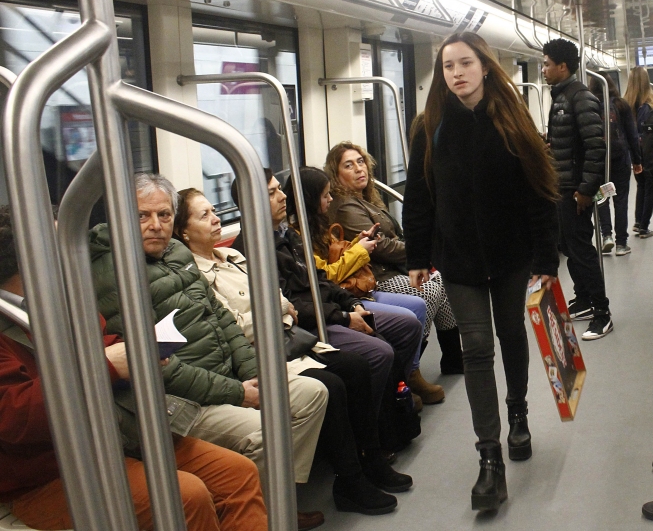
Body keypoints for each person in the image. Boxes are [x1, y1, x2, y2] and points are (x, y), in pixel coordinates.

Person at [0, 206, 269, 531]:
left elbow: (104, 341)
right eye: (60, 241)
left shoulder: (60, 301)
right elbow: (14, 419)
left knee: (237, 474)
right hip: (51, 472)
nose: (73, 250)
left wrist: (140, 351)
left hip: (119, 434)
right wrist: (107, 366)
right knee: (186, 496)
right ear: (28, 257)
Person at [88, 173, 328, 530]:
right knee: (264, 431)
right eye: (142, 216)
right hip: (177, 399)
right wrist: (237, 393)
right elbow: (156, 364)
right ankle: (263, 513)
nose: (156, 226)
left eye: (165, 215)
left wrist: (251, 371)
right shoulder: (110, 273)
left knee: (313, 393)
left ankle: (271, 500)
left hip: (225, 374)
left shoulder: (176, 252)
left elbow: (218, 314)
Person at [175, 189, 412, 515]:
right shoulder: (196, 276)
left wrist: (280, 310)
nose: (216, 219)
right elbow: (235, 324)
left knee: (355, 367)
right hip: (259, 352)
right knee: (334, 383)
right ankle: (349, 480)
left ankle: (371, 458)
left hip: (288, 337)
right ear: (184, 231)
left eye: (215, 211)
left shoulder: (233, 258)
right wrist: (280, 311)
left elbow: (280, 298)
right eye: (204, 215)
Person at [404, 32, 559, 511]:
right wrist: (416, 256)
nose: (456, 74)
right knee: (475, 349)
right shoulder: (430, 127)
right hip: (460, 259)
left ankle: (518, 411)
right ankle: (489, 458)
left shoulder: (512, 121)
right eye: (448, 66)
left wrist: (546, 260)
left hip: (511, 253)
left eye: (465, 63)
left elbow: (540, 192)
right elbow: (418, 196)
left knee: (511, 334)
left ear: (485, 67)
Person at [230, 169, 424, 416]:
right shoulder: (255, 248)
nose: (282, 197)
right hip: (308, 323)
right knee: (380, 351)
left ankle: (398, 396)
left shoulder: (287, 235)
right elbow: (294, 301)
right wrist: (343, 316)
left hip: (334, 303)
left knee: (408, 324)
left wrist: (351, 303)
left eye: (280, 189)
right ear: (251, 202)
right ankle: (377, 424)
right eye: (272, 193)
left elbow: (319, 278)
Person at [287, 166, 442, 405]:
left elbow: (333, 258)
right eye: (325, 195)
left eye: (361, 162)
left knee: (419, 304)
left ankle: (411, 372)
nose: (329, 199)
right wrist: (361, 251)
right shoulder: (298, 235)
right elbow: (326, 274)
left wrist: (357, 243)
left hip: (350, 293)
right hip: (346, 293)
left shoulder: (323, 223)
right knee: (417, 303)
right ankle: (397, 386)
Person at [324, 142, 462, 377]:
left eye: (360, 162)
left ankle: (453, 358)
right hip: (375, 276)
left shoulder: (366, 199)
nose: (359, 169)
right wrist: (421, 250)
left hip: (391, 267)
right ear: (336, 176)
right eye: (349, 165)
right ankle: (410, 364)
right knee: (428, 290)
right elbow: (381, 247)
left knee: (441, 281)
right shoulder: (345, 207)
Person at [541, 38, 613, 340]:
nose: (543, 69)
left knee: (581, 250)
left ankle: (602, 312)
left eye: (546, 64)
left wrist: (585, 190)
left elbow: (597, 147)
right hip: (562, 185)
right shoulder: (561, 97)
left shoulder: (579, 97)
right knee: (569, 247)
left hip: (574, 189)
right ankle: (583, 298)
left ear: (562, 66)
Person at [591, 74, 643, 255]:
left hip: (598, 160)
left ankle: (606, 236)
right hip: (620, 159)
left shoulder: (590, 105)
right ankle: (621, 244)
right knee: (620, 200)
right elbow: (632, 134)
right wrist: (637, 160)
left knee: (601, 198)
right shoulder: (621, 105)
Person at [625, 66, 653, 238]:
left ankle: (638, 221)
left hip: (634, 154)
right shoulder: (650, 106)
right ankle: (644, 226)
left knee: (641, 186)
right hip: (649, 153)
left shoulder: (625, 105)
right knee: (650, 188)